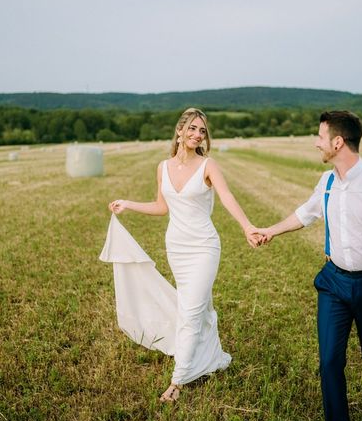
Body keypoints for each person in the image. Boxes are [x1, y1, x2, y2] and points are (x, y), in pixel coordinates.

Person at [254, 111, 362, 421]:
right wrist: (270, 230)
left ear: (338, 143)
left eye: (321, 137)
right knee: (329, 361)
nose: (316, 143)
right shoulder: (326, 182)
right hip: (334, 282)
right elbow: (304, 214)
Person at [108, 108, 260, 402]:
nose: (197, 135)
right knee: (198, 307)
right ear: (179, 132)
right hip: (176, 246)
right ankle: (211, 357)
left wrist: (246, 227)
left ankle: (177, 381)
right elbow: (161, 206)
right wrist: (128, 204)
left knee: (190, 310)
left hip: (204, 246)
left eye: (202, 131)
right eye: (192, 128)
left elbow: (227, 197)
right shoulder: (162, 167)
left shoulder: (208, 165)